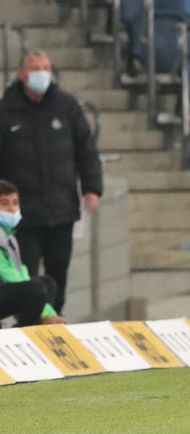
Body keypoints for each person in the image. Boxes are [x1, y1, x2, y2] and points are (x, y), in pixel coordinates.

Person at [0, 50, 103, 315]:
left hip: (61, 209)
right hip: (23, 214)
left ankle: (55, 317)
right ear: (23, 74)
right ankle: (28, 322)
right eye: (36, 69)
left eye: (46, 68)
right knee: (24, 272)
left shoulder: (67, 107)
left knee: (58, 271)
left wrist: (92, 188)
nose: (42, 74)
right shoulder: (6, 110)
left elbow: (86, 150)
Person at [0, 180, 68, 327]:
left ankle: (38, 324)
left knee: (47, 283)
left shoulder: (8, 237)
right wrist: (45, 314)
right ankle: (25, 330)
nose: (12, 209)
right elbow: (8, 275)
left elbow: (20, 272)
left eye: (15, 203)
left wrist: (49, 314)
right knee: (35, 289)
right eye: (4, 204)